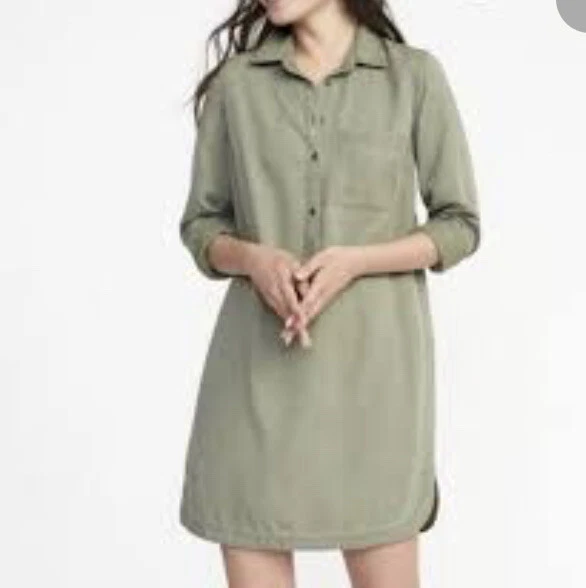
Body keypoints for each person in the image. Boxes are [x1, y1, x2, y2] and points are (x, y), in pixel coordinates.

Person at [177, 0, 481, 586]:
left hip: (375, 391)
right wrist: (254, 259)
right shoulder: (237, 86)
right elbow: (202, 225)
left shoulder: (412, 77)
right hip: (254, 389)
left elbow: (459, 224)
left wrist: (358, 262)